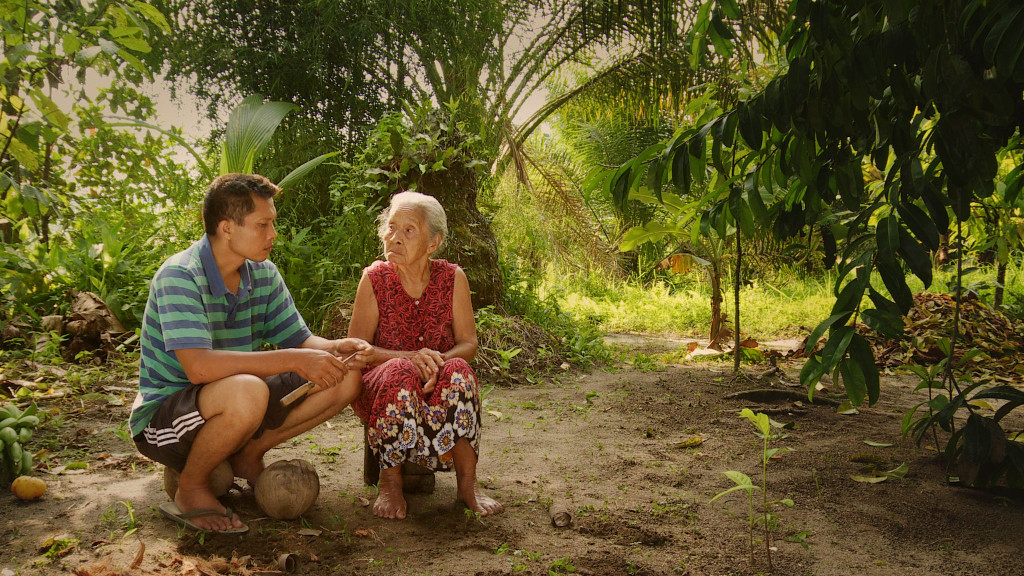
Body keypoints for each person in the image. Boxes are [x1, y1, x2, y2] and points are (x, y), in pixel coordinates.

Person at [129, 173, 372, 533]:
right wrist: (294, 359)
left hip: (235, 400)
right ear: (227, 228)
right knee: (249, 389)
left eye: (272, 223)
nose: (273, 234)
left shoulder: (264, 274)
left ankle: (246, 454)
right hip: (165, 419)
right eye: (263, 224)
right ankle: (192, 486)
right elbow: (198, 368)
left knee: (347, 374)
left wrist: (337, 348)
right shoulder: (180, 275)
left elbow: (301, 341)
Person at [348, 191, 502, 519]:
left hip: (436, 378)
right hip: (384, 385)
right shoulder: (374, 279)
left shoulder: (452, 278)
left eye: (408, 230)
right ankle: (390, 483)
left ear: (433, 243)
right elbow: (357, 350)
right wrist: (410, 357)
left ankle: (468, 484)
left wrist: (436, 362)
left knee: (459, 370)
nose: (395, 237)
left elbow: (468, 343)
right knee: (399, 371)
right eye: (391, 228)